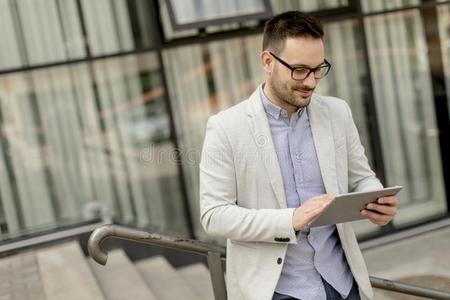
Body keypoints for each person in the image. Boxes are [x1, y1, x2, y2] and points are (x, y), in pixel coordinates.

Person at [199, 10, 398, 300]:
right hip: (277, 290)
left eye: (318, 69)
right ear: (267, 61)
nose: (311, 82)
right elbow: (214, 215)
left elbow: (363, 178)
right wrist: (291, 219)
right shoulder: (226, 127)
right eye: (300, 70)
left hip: (342, 283)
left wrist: (377, 201)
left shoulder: (337, 112)